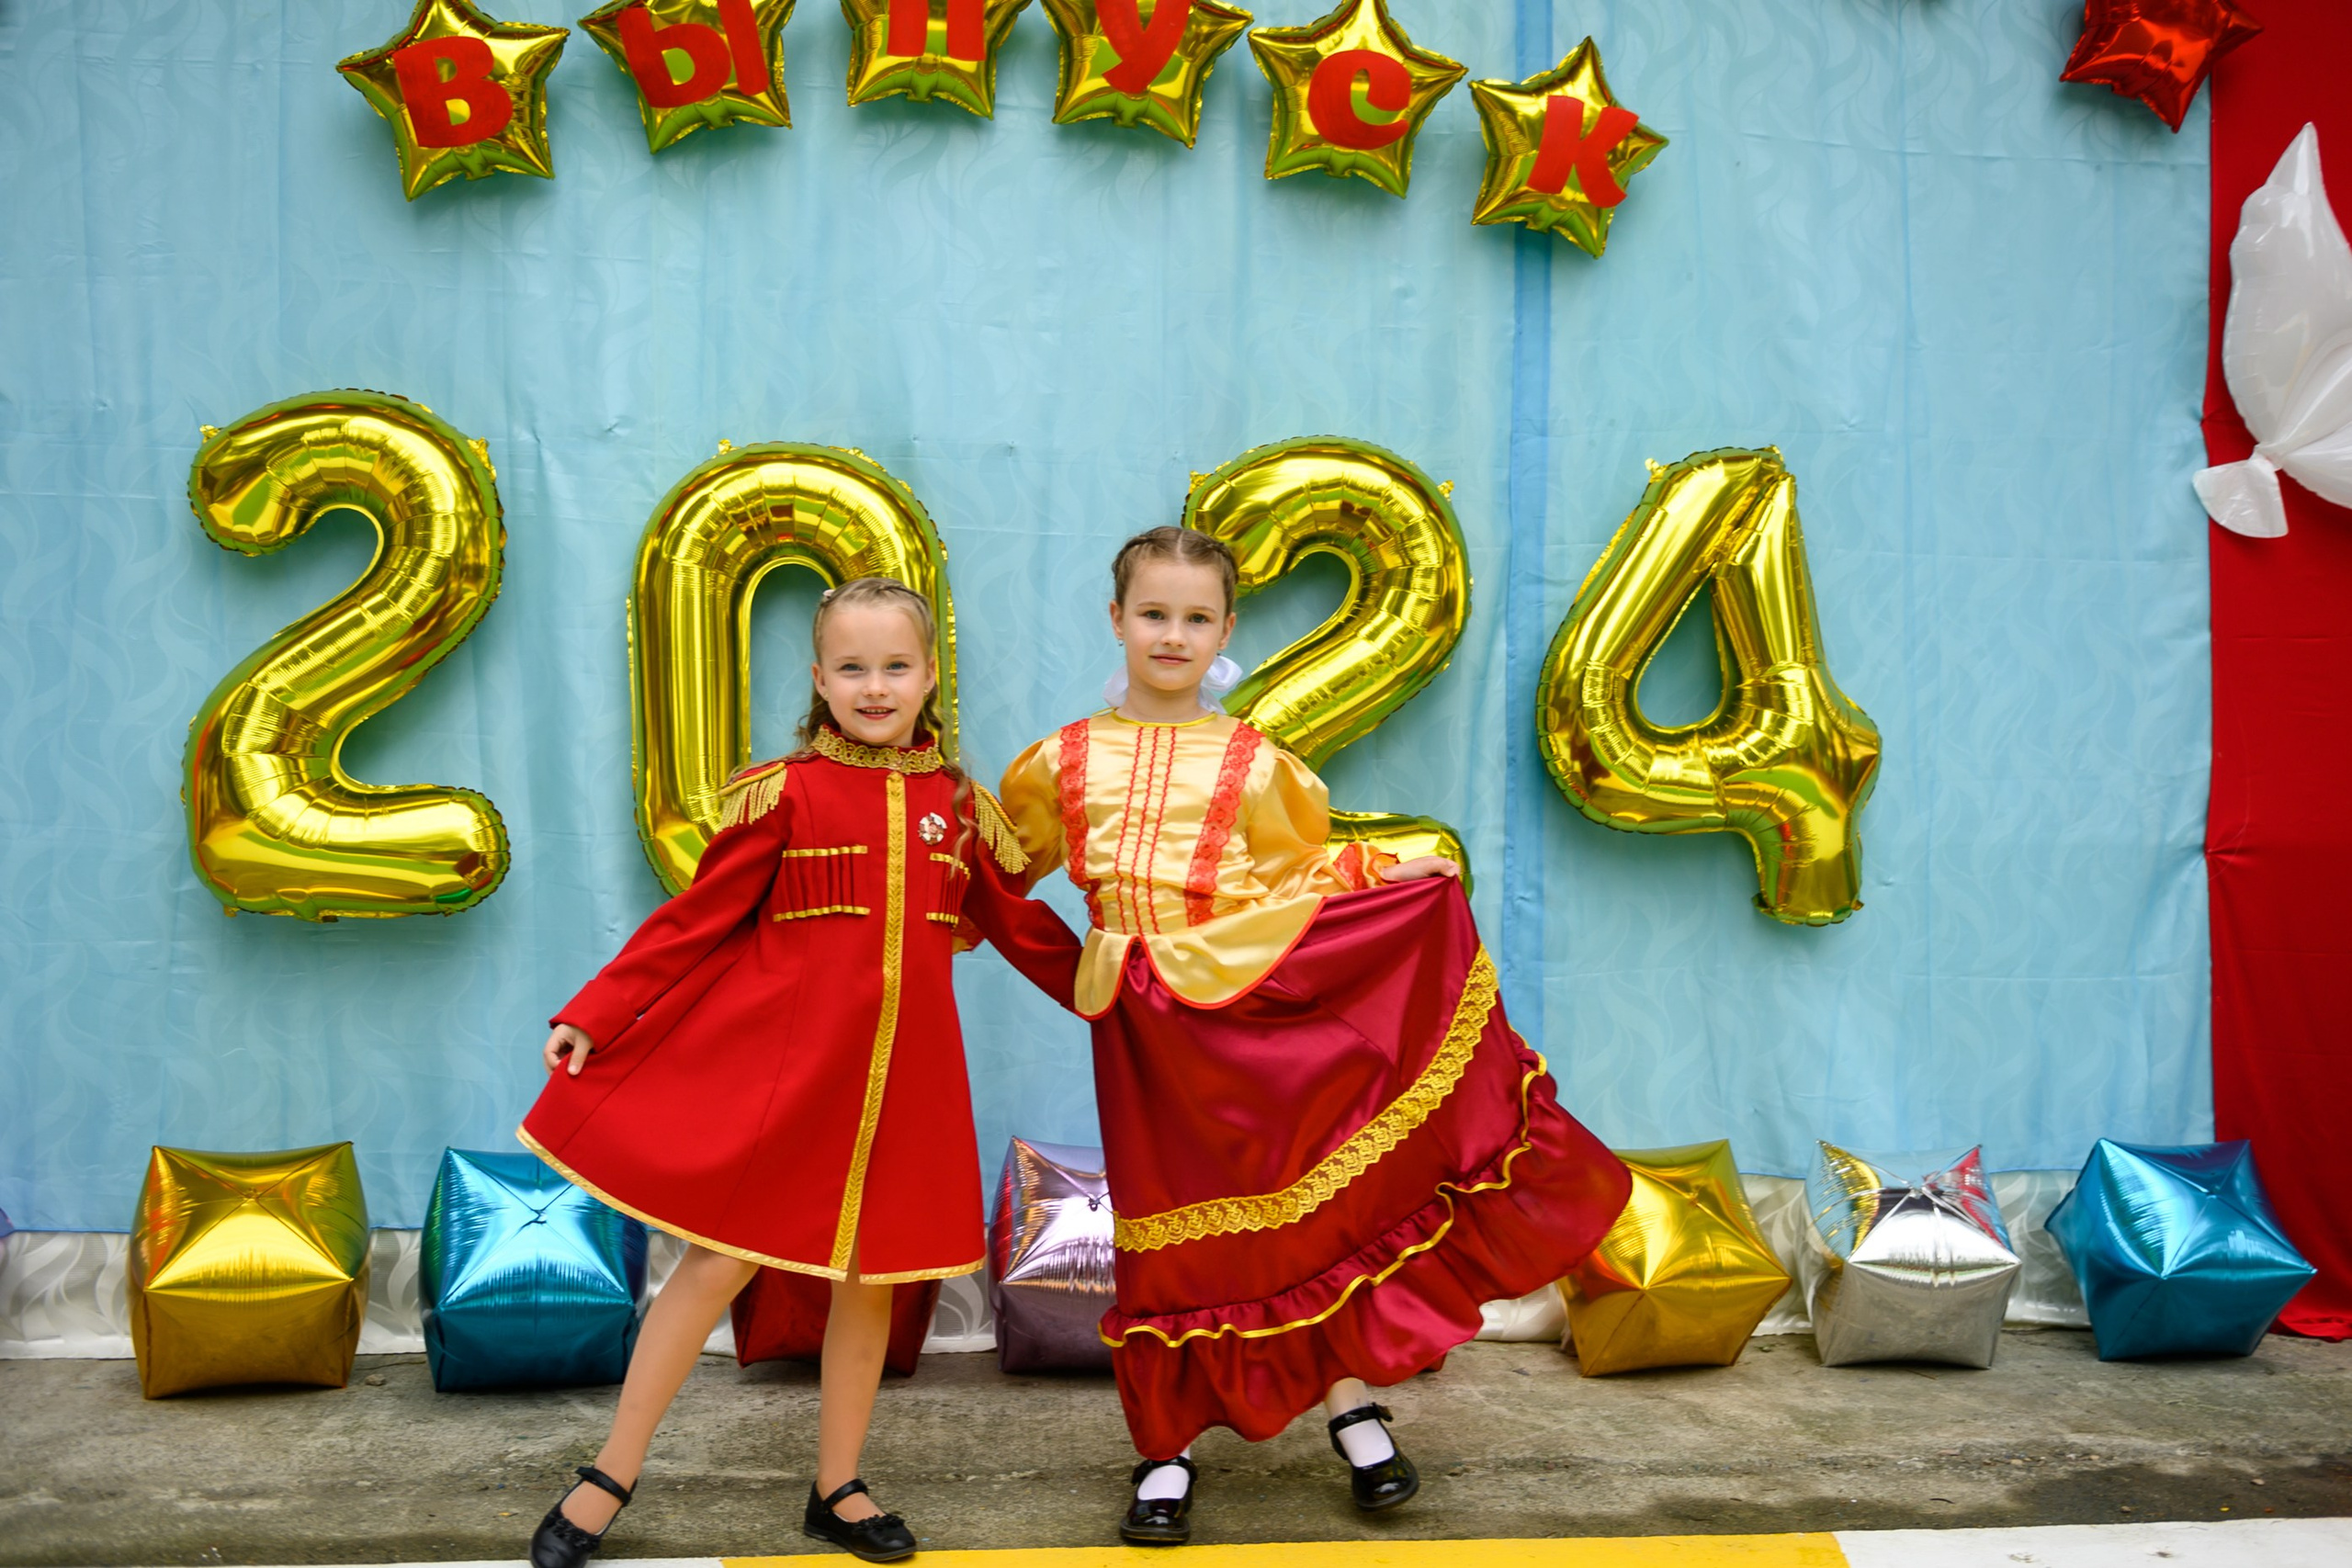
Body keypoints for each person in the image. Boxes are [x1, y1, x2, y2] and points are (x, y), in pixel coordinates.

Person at [996, 527, 1632, 1545]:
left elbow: (1299, 876)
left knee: (1305, 1215)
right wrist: (1063, 964)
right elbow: (997, 872)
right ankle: (1165, 1449)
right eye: (1153, 613)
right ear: (1115, 620)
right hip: (1144, 1034)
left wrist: (1391, 877)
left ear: (1225, 632)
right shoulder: (1058, 760)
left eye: (1195, 618)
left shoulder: (1254, 763)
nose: (1172, 635)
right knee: (1169, 1228)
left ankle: (1351, 1408)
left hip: (1255, 1016)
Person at [517, 577, 1079, 1566]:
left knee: (869, 1282)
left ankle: (838, 1485)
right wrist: (596, 1012)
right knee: (714, 1265)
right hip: (791, 1088)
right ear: (819, 679)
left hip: (905, 1090)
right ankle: (611, 1472)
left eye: (894, 667)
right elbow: (694, 921)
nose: (874, 687)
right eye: (851, 669)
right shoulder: (785, 792)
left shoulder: (956, 805)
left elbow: (1027, 934)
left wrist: (1122, 996)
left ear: (930, 676)